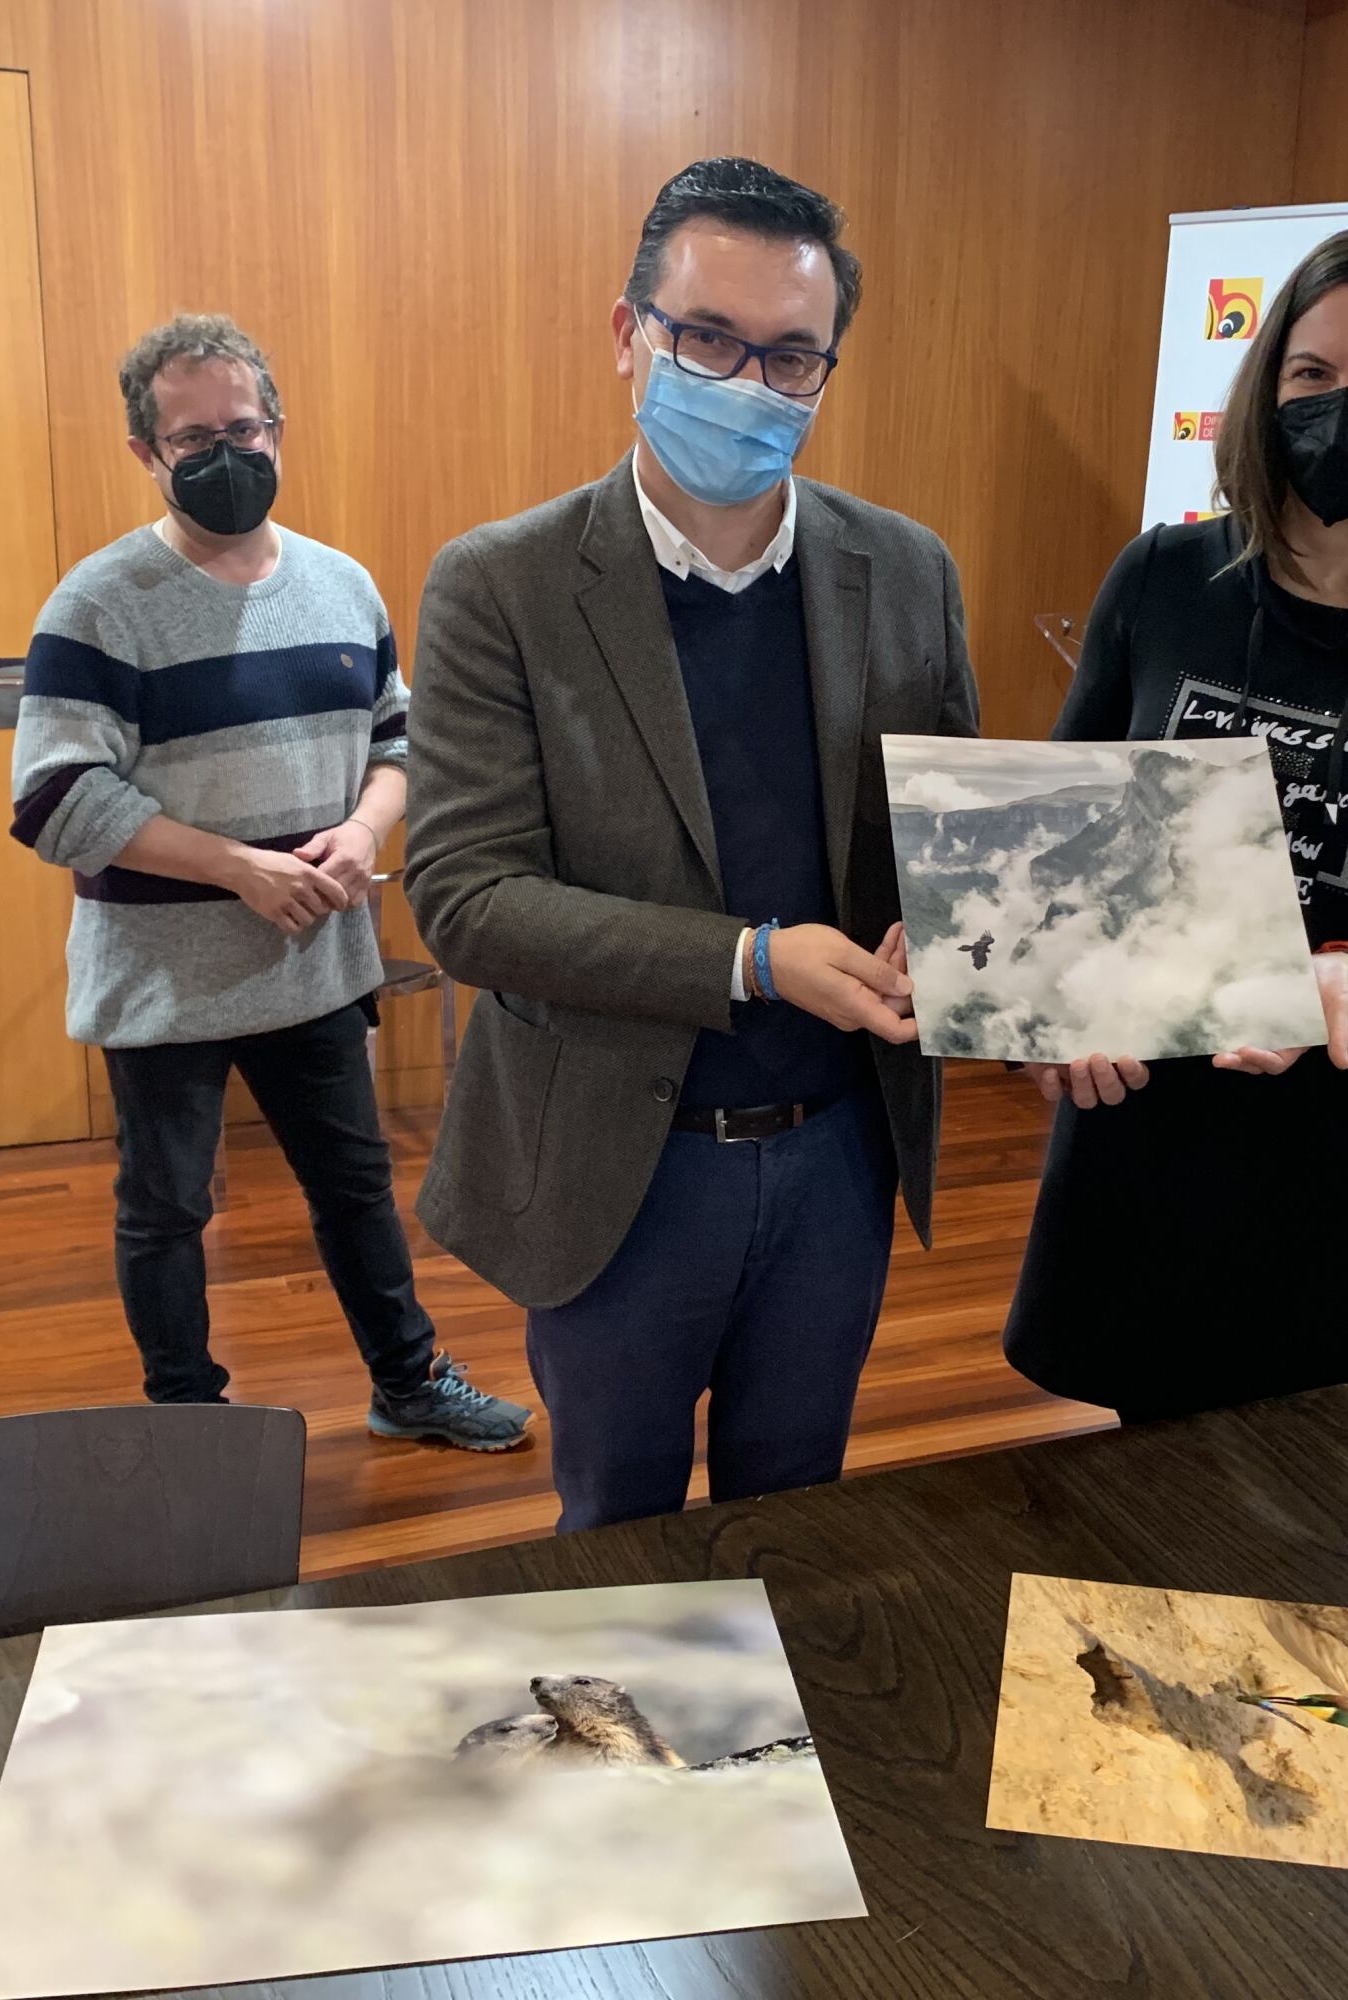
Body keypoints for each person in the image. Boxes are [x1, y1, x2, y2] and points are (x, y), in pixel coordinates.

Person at [404, 158, 979, 1529]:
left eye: (790, 355)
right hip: (619, 1158)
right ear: (629, 335)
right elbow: (468, 899)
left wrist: (967, 936)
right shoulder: (502, 583)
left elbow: (947, 849)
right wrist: (753, 961)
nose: (747, 383)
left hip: (838, 1155)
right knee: (617, 1536)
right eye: (707, 338)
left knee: (799, 1518)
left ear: (827, 369)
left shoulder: (907, 569)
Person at [1002, 223, 1348, 1420]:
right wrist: (1055, 1005)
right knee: (1130, 1469)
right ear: (1268, 385)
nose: (1343, 408)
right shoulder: (1164, 577)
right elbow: (1058, 834)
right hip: (1140, 1122)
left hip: (1342, 1153)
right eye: (1312, 373)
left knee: (1313, 1480)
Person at [10, 314, 528, 1446]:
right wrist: (233, 867)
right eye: (192, 439)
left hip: (314, 962)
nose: (225, 454)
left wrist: (364, 829)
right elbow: (54, 799)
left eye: (242, 429)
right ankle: (187, 1421)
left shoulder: (342, 586)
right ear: (144, 453)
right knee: (166, 1210)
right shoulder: (97, 604)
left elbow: (401, 741)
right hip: (164, 979)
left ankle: (407, 1380)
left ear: (278, 431)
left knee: (355, 1186)